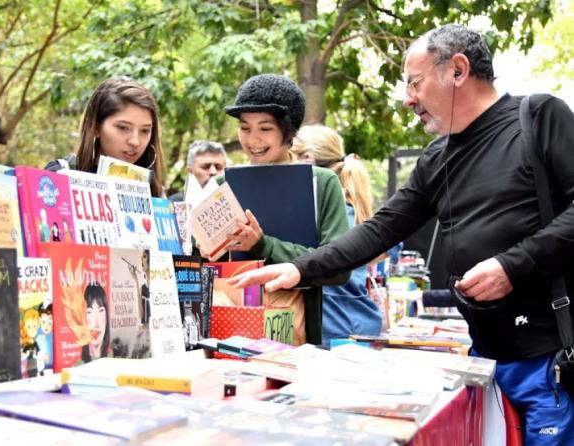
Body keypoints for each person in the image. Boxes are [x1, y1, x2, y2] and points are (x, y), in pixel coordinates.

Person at [229, 24, 574, 445]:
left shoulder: (538, 118)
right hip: (484, 360)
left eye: (415, 83)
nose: (408, 99)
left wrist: (512, 265)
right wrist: (298, 269)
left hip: (548, 358)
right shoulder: (437, 157)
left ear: (458, 71)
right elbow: (380, 229)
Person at [220, 73, 351, 345]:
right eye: (245, 128)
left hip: (297, 331)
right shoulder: (222, 185)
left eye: (265, 128)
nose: (253, 140)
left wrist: (263, 245)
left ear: (288, 130)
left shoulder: (322, 183)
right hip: (227, 326)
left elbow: (339, 266)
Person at [291, 125, 382, 346]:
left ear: (306, 160)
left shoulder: (334, 214)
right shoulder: (349, 209)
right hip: (352, 322)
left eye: (290, 156)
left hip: (337, 329)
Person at [45, 77, 167, 197]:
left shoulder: (155, 194)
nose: (135, 141)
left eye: (145, 131)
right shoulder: (59, 176)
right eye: (123, 128)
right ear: (96, 127)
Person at [81, 283, 110, 362]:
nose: (96, 323)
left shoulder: (114, 360)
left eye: (101, 311)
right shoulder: (77, 367)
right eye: (89, 312)